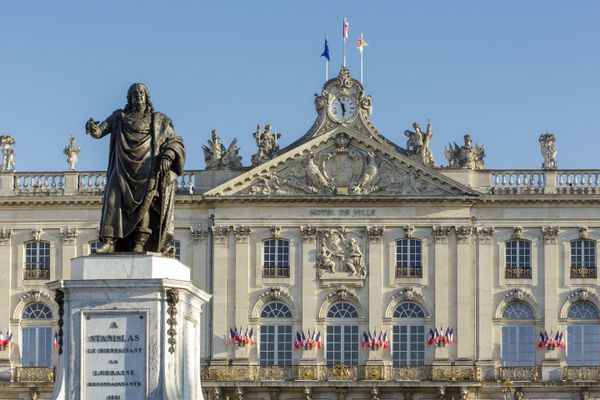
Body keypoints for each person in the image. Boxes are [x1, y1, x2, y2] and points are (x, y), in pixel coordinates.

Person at [85, 83, 185, 254]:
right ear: (129, 97)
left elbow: (175, 140)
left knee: (144, 204)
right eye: (134, 93)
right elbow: (100, 131)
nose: (138, 95)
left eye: (141, 92)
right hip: (122, 167)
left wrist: (168, 154)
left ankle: (140, 241)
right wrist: (93, 129)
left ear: (147, 96)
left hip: (147, 167)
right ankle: (109, 240)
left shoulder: (159, 120)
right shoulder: (119, 117)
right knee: (113, 199)